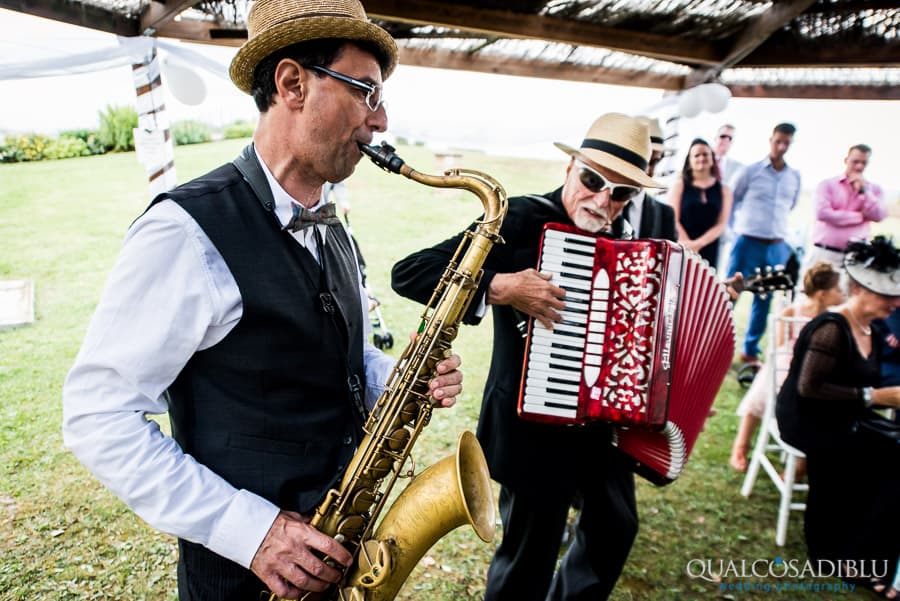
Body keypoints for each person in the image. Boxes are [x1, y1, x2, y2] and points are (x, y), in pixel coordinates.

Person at [61, 2, 466, 599]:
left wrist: (397, 379)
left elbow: (324, 358)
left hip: (337, 548)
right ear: (292, 83)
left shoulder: (331, 223)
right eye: (366, 92)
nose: (379, 122)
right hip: (244, 578)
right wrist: (252, 533)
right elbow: (97, 417)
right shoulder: (184, 232)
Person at [392, 113, 663, 601]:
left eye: (621, 194)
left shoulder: (628, 247)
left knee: (616, 525)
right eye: (593, 180)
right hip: (532, 424)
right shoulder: (518, 218)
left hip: (602, 424)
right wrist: (502, 285)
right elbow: (410, 272)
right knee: (529, 554)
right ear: (570, 169)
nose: (603, 201)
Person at [776, 236, 900, 595]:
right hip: (809, 421)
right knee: (889, 464)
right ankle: (844, 556)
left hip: (841, 415)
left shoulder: (871, 330)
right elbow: (808, 389)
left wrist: (873, 397)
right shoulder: (832, 327)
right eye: (886, 296)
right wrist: (874, 396)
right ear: (859, 290)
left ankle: (865, 552)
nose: (895, 303)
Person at [728, 261, 843, 472]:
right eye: (837, 289)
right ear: (822, 294)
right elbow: (780, 345)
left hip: (815, 369)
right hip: (788, 362)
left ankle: (800, 466)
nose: (842, 294)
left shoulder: (836, 317)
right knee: (765, 383)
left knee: (822, 396)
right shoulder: (793, 311)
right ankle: (741, 446)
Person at [726, 123, 801, 365]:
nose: (781, 147)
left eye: (786, 143)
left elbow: (790, 206)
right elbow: (733, 201)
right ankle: (715, 343)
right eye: (778, 141)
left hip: (776, 245)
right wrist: (733, 232)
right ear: (771, 139)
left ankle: (750, 350)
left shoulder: (794, 177)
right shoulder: (751, 172)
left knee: (765, 298)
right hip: (747, 242)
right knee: (732, 292)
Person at [803, 144, 887, 274]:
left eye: (864, 163)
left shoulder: (874, 190)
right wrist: (859, 216)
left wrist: (865, 191)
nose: (859, 166)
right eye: (855, 162)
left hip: (855, 258)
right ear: (846, 160)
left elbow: (879, 215)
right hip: (825, 254)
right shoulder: (827, 185)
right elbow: (823, 213)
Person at [668, 137, 733, 268]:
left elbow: (721, 224)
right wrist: (688, 245)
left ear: (712, 158)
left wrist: (699, 244)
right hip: (682, 246)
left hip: (710, 246)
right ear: (689, 160)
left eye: (705, 154)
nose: (701, 158)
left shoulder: (724, 190)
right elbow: (673, 219)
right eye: (696, 155)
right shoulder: (679, 186)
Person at [627, 116, 677, 241]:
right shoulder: (602, 201)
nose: (648, 170)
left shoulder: (665, 214)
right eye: (644, 161)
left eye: (655, 162)